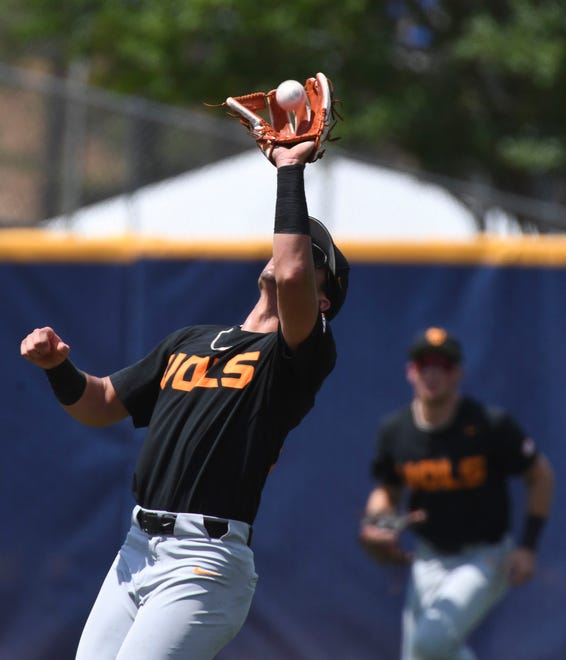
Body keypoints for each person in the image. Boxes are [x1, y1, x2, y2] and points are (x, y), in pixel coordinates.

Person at [20, 140, 349, 660]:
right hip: (136, 548)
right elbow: (101, 402)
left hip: (206, 559)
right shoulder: (190, 340)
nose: (288, 255)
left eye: (309, 254)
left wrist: (289, 170)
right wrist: (57, 368)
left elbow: (290, 274)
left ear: (321, 297)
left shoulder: (299, 357)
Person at [359, 327, 554, 660]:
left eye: (443, 365)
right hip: (428, 555)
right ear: (411, 371)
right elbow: (386, 492)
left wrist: (528, 546)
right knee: (419, 656)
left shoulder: (489, 424)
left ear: (458, 373)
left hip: (485, 556)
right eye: (424, 365)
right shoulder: (396, 430)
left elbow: (540, 476)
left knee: (430, 644)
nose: (433, 373)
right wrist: (378, 522)